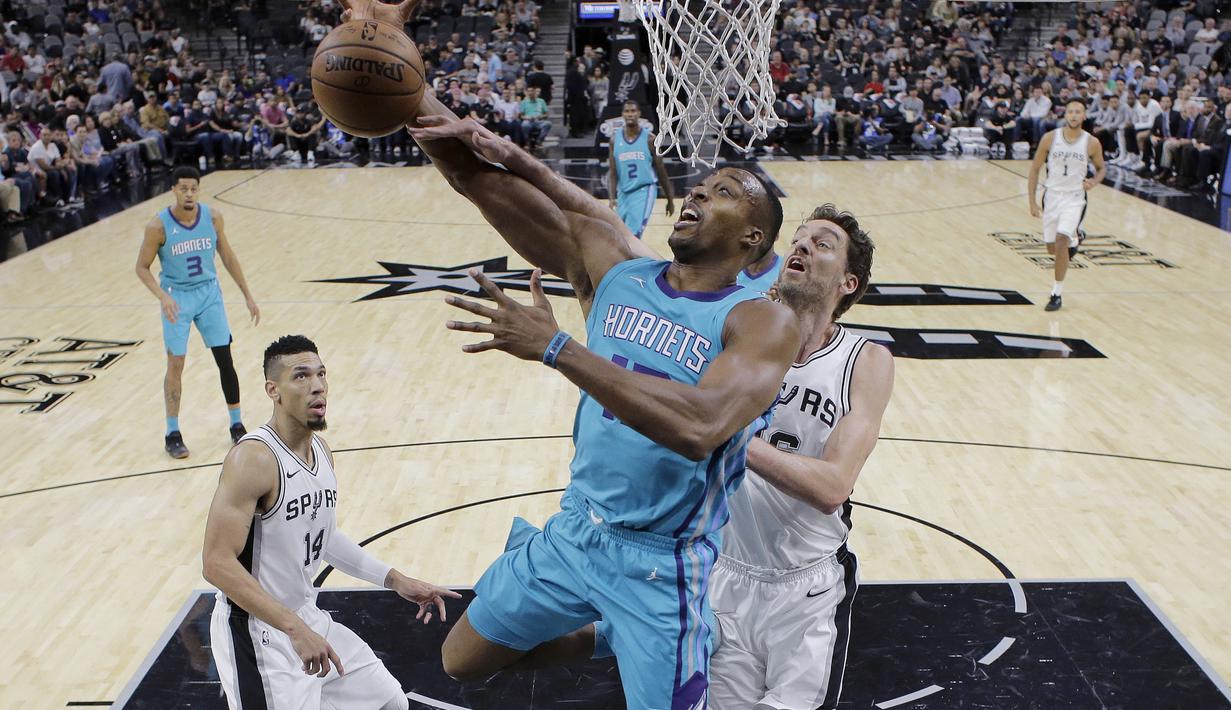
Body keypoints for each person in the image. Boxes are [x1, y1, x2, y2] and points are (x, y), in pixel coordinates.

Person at [388, 10, 799, 710]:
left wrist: (556, 348)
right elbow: (474, 176)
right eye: (701, 185)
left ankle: (631, 631)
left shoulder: (759, 320)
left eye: (723, 190)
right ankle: (602, 633)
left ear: (753, 239)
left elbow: (700, 429)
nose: (698, 191)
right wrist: (392, 66)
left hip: (658, 568)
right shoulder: (615, 274)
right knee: (462, 660)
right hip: (577, 531)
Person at [203, 334, 460, 710]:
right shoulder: (253, 460)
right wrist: (293, 628)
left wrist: (394, 579)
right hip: (258, 633)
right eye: (301, 376)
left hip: (306, 617)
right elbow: (216, 563)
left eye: (321, 374)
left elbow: (322, 535)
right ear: (273, 390)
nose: (318, 386)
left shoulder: (321, 451)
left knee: (389, 702)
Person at [709, 205, 893, 710]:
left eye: (823, 243)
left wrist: (732, 436)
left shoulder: (865, 361)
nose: (803, 246)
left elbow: (833, 487)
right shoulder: (738, 335)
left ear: (848, 283)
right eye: (799, 238)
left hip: (809, 590)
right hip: (725, 574)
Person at [134, 166, 261, 458]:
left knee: (225, 359)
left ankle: (237, 424)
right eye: (183, 188)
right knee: (176, 364)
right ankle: (172, 432)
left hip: (208, 294)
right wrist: (162, 296)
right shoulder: (158, 226)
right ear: (173, 191)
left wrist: (247, 295)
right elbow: (142, 267)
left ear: (198, 190)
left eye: (194, 188)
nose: (189, 194)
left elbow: (227, 255)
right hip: (177, 297)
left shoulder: (213, 217)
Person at [1028, 99, 1106, 312]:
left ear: (1084, 116)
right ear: (1065, 115)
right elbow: (1034, 170)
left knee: (1062, 241)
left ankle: (1056, 294)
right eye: (1070, 111)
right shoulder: (1050, 138)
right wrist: (1032, 202)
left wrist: (1094, 182)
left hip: (1075, 197)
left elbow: (1101, 169)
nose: (1073, 115)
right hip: (1051, 196)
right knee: (1053, 248)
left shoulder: (1091, 142)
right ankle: (1077, 237)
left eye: (1077, 112)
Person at [607, 101, 674, 238]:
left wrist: (670, 199)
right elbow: (613, 173)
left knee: (633, 236)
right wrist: (612, 197)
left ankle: (636, 259)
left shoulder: (650, 139)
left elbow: (662, 171)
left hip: (643, 190)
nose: (630, 114)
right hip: (623, 192)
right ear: (622, 115)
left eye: (633, 111)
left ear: (639, 114)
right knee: (620, 236)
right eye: (627, 111)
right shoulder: (614, 140)